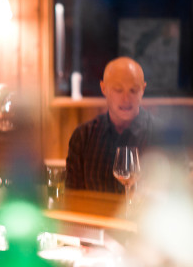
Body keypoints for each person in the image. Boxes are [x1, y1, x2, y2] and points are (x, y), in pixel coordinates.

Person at [66, 57, 157, 192]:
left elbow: (177, 200)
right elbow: (72, 198)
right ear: (103, 88)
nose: (126, 99)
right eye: (118, 90)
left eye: (133, 90)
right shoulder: (83, 137)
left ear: (143, 90)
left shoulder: (163, 137)